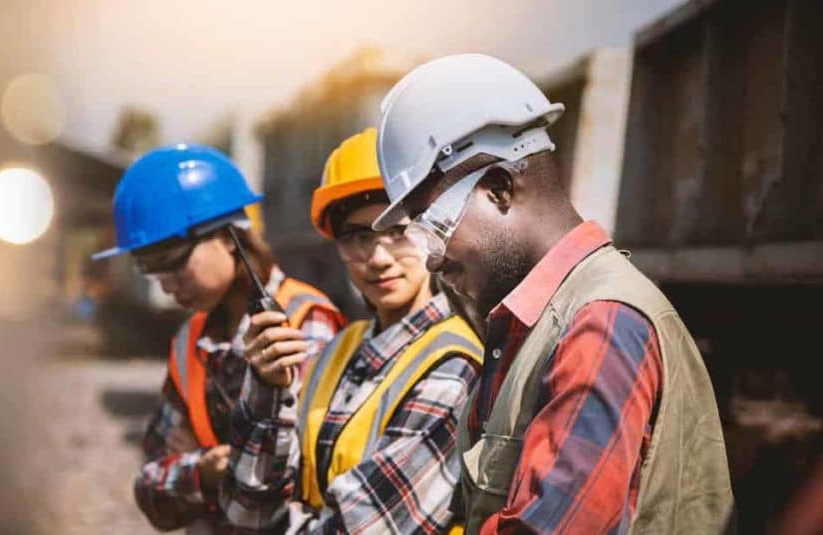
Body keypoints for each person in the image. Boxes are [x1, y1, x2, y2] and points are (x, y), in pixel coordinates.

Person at [371, 54, 734, 534]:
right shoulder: (531, 325)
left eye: (433, 229)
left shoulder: (599, 322)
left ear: (499, 189)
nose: (431, 259)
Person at [220, 128, 484, 534]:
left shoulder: (454, 368)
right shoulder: (339, 350)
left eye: (398, 231)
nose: (377, 257)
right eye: (358, 237)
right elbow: (246, 508)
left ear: (434, 230)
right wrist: (267, 390)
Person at [92, 144, 345, 534]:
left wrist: (195, 469)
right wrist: (204, 471)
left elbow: (295, 478)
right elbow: (150, 489)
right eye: (150, 269)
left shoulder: (303, 323)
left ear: (229, 237)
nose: (167, 285)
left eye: (174, 259)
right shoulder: (188, 341)